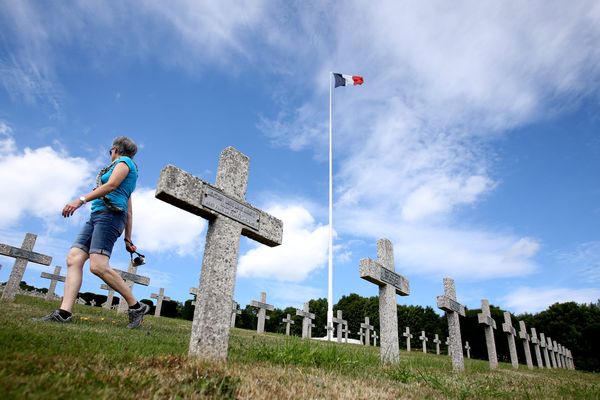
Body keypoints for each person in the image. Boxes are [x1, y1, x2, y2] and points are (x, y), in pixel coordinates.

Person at [37, 136, 149, 328]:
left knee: (98, 265)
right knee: (74, 258)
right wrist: (128, 238)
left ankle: (136, 306)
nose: (110, 154)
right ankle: (64, 313)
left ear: (115, 149)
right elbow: (129, 210)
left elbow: (111, 186)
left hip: (110, 216)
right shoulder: (123, 176)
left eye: (110, 151)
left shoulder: (124, 162)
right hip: (98, 215)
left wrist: (80, 200)